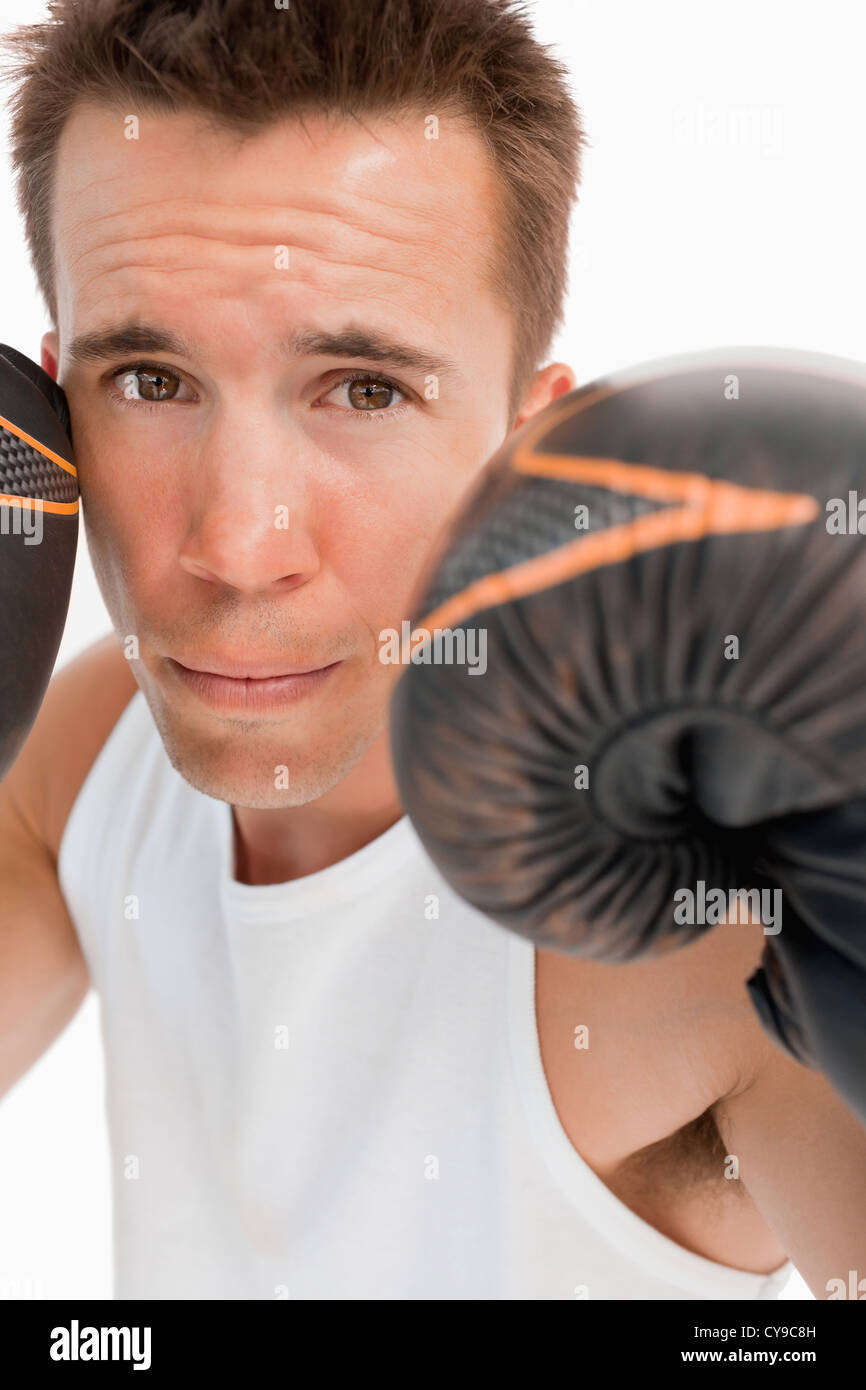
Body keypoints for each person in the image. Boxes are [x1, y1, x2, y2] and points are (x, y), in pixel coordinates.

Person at [0, 0, 860, 1301]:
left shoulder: (698, 937)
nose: (239, 546)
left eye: (363, 388)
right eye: (150, 381)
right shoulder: (83, 761)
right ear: (47, 417)